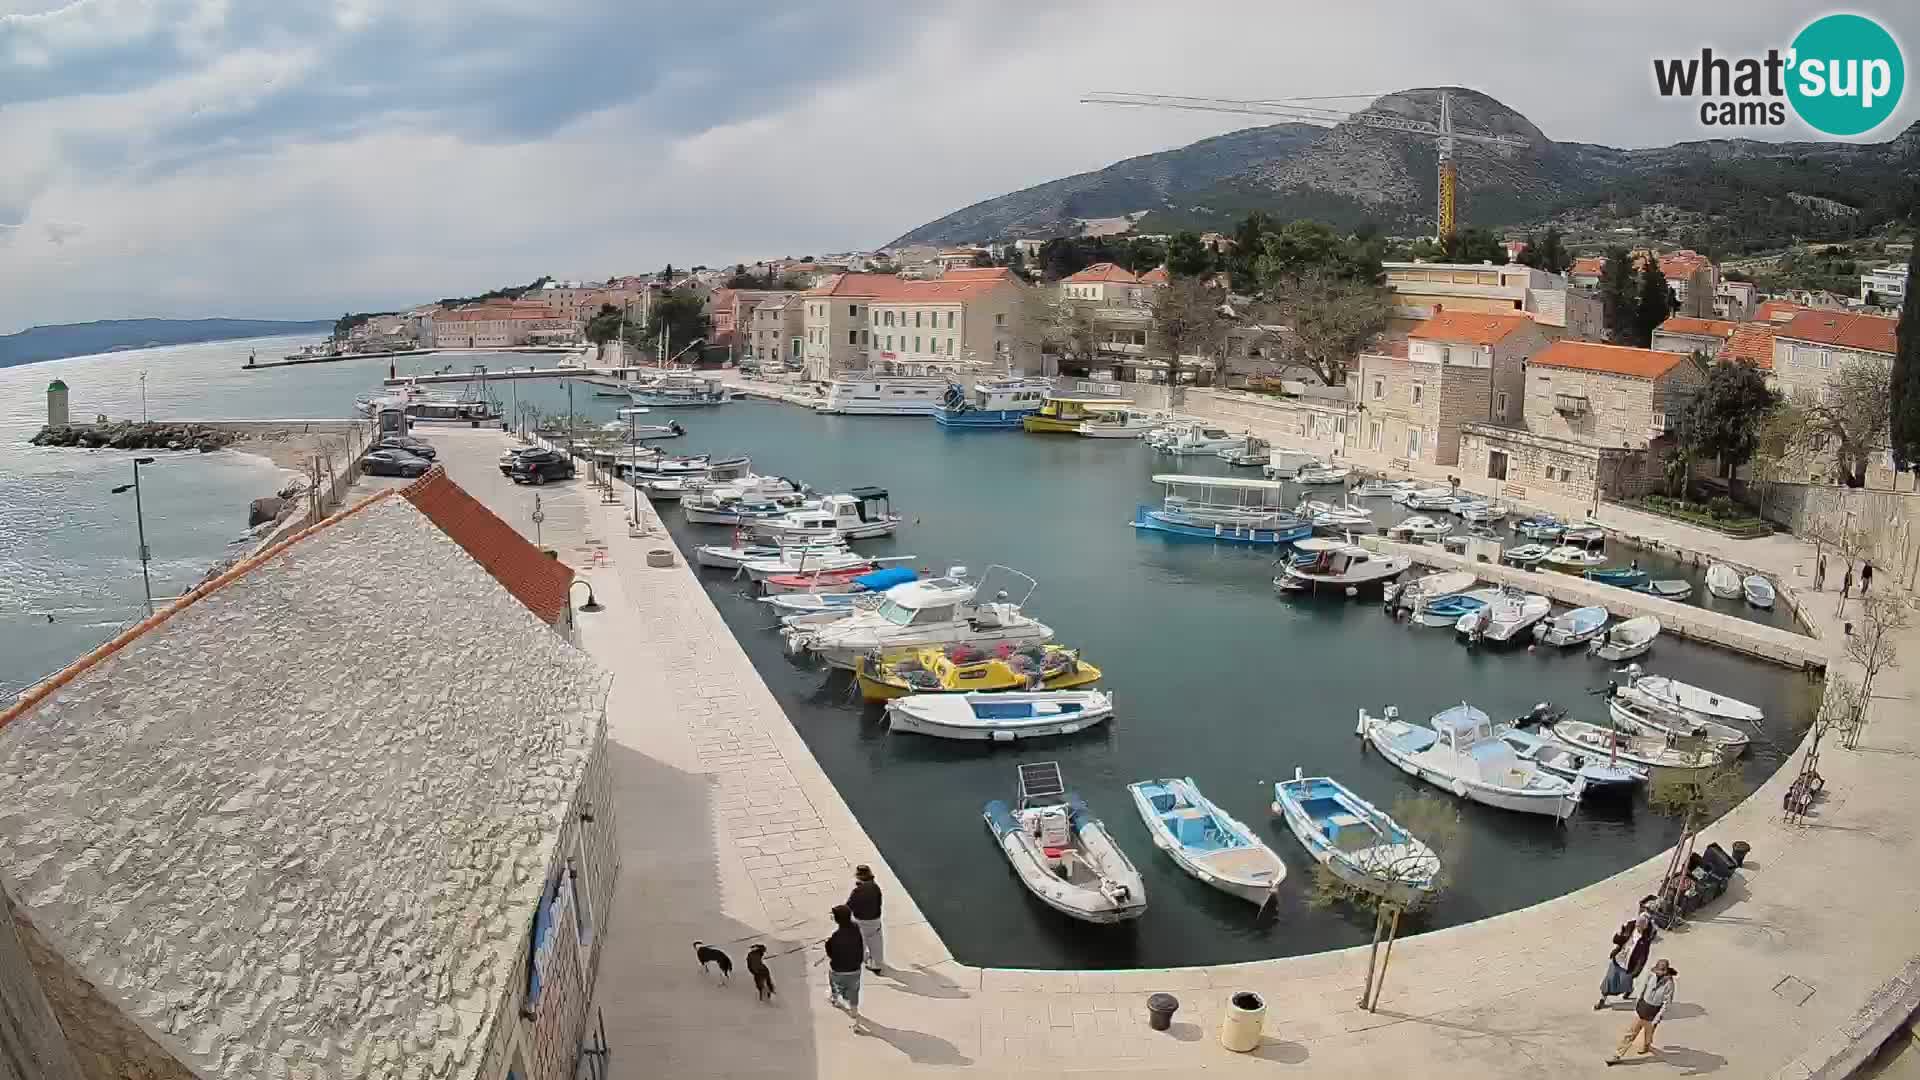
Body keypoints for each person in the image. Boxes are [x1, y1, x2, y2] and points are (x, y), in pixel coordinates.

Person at [1607, 959, 1677, 1064]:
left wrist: (1657, 1018)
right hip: (1642, 1009)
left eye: (1661, 971)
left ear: (1666, 971)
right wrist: (1637, 1003)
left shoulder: (1669, 984)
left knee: (1648, 1035)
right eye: (1657, 970)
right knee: (1630, 1034)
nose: (1658, 973)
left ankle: (1646, 1046)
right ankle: (1617, 1055)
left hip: (1653, 1014)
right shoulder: (1652, 976)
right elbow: (1643, 988)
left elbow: (1666, 1003)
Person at [824, 904, 867, 1032]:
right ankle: (854, 1010)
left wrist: (828, 943)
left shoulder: (835, 937)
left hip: (839, 969)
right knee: (854, 990)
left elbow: (830, 954)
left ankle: (835, 999)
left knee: (835, 984)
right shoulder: (856, 929)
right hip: (855, 968)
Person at [847, 864, 885, 973]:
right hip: (874, 919)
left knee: (860, 941)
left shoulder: (857, 892)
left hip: (861, 920)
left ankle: (862, 957)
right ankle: (877, 964)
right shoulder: (876, 888)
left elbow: (849, 905)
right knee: (876, 941)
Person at [1595, 925, 1635, 1009]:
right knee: (1608, 981)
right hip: (1617, 960)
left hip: (1629, 965)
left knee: (1626, 981)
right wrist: (1620, 933)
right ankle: (1602, 1000)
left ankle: (1628, 991)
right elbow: (1616, 940)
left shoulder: (1645, 937)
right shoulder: (1629, 927)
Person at [1624, 896, 1658, 992]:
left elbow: (1643, 957)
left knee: (1630, 976)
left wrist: (1636, 971)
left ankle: (1628, 989)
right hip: (1624, 957)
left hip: (1633, 959)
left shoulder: (1645, 940)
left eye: (1641, 924)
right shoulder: (1630, 927)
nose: (1638, 925)